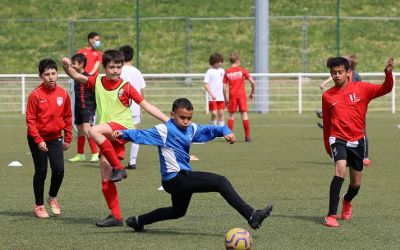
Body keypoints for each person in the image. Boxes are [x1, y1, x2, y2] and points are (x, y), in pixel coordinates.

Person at [113, 98, 273, 232]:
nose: (186, 121)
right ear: (172, 115)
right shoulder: (164, 130)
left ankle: (138, 221)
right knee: (221, 182)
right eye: (182, 117)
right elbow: (141, 134)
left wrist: (226, 131)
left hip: (181, 179)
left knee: (178, 211)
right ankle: (251, 215)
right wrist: (123, 133)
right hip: (174, 179)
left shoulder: (190, 128)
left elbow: (210, 129)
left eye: (189, 118)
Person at [61, 49, 169, 227]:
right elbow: (75, 76)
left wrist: (169, 121)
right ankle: (116, 216)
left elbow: (146, 105)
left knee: (92, 131)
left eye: (119, 67)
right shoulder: (96, 81)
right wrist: (65, 66)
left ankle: (120, 168)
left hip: (122, 128)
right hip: (107, 134)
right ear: (105, 67)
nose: (116, 71)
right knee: (105, 175)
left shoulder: (125, 86)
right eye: (112, 67)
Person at [322, 57, 393, 227]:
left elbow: (385, 88)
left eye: (340, 72)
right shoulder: (327, 96)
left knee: (356, 184)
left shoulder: (362, 88)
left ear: (348, 73)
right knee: (340, 171)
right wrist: (328, 146)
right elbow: (326, 124)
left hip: (357, 140)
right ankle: (331, 215)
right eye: (333, 73)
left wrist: (388, 74)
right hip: (338, 138)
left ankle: (347, 201)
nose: (336, 76)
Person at [26, 59, 72, 218]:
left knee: (59, 170)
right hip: (36, 138)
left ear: (57, 74)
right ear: (40, 76)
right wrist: (38, 140)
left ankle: (52, 197)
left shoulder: (64, 93)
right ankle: (39, 205)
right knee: (41, 171)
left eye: (53, 73)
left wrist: (68, 137)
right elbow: (30, 120)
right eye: (47, 74)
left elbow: (67, 116)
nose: (51, 77)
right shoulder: (35, 95)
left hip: (55, 138)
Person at [318, 55, 371, 166]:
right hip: (342, 103)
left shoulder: (355, 76)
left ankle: (365, 156)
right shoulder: (339, 74)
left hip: (355, 107)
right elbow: (333, 75)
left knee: (361, 132)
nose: (337, 75)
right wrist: (325, 83)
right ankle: (343, 155)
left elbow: (361, 91)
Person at [68, 53, 99, 163]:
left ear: (81, 64)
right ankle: (80, 154)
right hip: (78, 108)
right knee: (80, 131)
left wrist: (94, 109)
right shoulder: (74, 78)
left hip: (87, 108)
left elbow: (95, 94)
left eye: (74, 63)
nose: (72, 65)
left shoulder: (87, 77)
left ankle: (95, 153)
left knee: (87, 130)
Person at [119, 45, 146, 170]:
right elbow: (141, 90)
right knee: (135, 134)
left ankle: (115, 160)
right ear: (132, 56)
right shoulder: (137, 71)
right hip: (135, 107)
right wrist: (141, 107)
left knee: (117, 133)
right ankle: (132, 161)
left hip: (120, 107)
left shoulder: (118, 70)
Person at [223, 52, 255, 142]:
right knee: (244, 115)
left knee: (231, 116)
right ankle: (247, 137)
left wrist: (225, 99)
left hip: (232, 95)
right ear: (237, 61)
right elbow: (253, 82)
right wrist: (252, 93)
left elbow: (224, 87)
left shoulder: (227, 72)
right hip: (241, 95)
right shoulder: (242, 70)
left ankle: (229, 137)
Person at [204, 52, 225, 126]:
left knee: (221, 113)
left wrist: (226, 95)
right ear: (213, 62)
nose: (220, 63)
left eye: (221, 61)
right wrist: (211, 94)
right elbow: (206, 85)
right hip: (212, 97)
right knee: (214, 113)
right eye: (218, 61)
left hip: (221, 97)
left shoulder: (222, 71)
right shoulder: (209, 71)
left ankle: (221, 131)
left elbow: (224, 84)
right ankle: (213, 130)